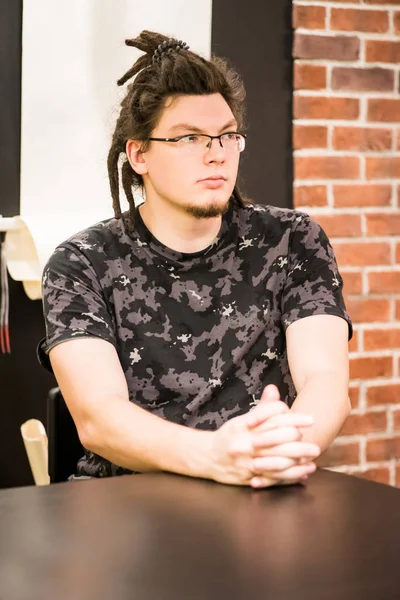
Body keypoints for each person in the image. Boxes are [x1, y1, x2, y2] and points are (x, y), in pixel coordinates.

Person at [38, 31, 352, 488]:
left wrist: (286, 448)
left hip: (259, 485)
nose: (217, 155)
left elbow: (326, 382)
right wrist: (218, 457)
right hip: (125, 501)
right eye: (190, 138)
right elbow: (98, 418)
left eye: (227, 136)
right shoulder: (80, 263)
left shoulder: (293, 240)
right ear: (139, 154)